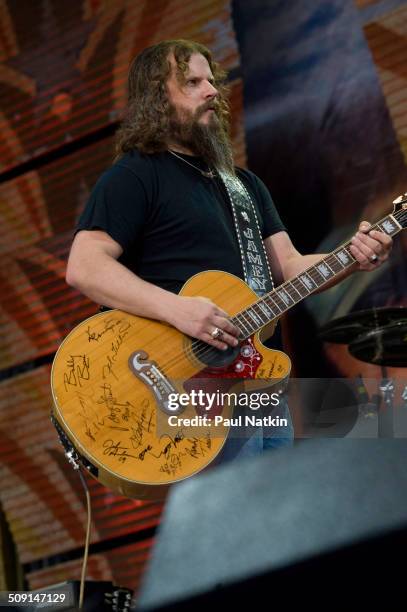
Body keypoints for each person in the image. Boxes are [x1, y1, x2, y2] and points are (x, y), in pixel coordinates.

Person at [66, 39, 392, 459]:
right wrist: (177, 309)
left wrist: (353, 256)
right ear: (157, 96)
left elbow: (290, 267)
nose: (212, 91)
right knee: (235, 514)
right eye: (193, 82)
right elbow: (84, 266)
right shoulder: (135, 175)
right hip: (182, 382)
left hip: (256, 377)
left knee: (275, 511)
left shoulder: (245, 186)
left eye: (212, 80)